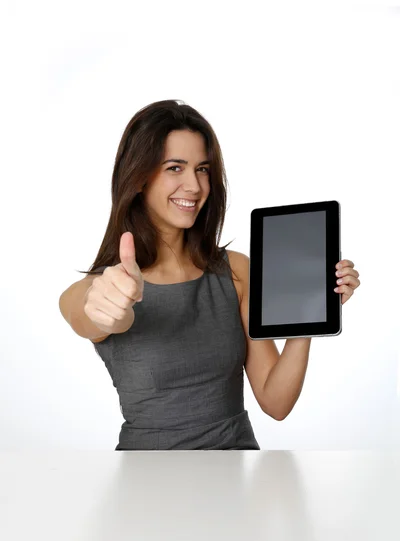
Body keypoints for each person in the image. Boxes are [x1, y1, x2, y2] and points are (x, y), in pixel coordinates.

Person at [59, 99, 361, 450]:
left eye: (202, 169)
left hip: (235, 479)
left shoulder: (236, 271)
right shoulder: (99, 288)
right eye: (175, 168)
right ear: (139, 177)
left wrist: (310, 311)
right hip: (146, 484)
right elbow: (89, 314)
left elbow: (276, 403)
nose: (194, 186)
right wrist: (109, 307)